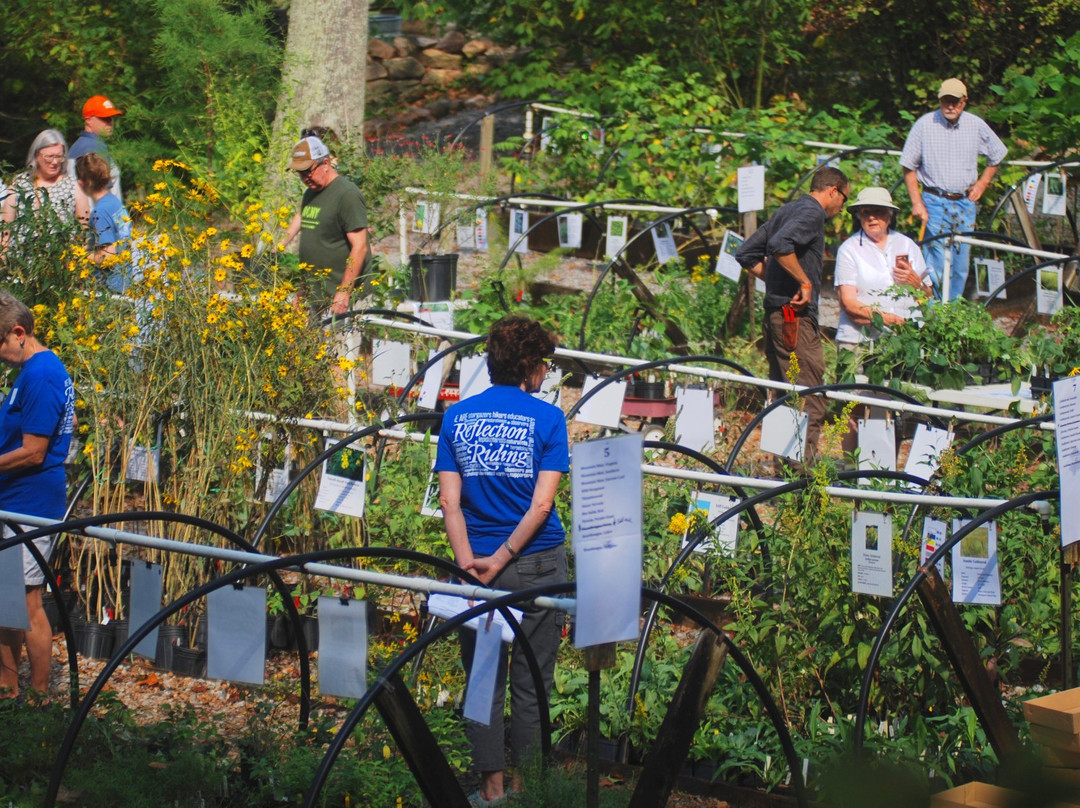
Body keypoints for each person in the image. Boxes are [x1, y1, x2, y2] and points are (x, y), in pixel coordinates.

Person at [435, 316, 569, 806]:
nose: (545, 375)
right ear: (531, 366)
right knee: (532, 686)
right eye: (544, 366)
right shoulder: (549, 419)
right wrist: (505, 556)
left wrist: (471, 564)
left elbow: (450, 504)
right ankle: (528, 789)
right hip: (535, 564)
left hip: (476, 568)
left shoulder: (456, 417)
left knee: (482, 682)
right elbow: (541, 506)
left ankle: (490, 791)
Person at [735, 165, 850, 458]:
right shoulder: (813, 213)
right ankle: (801, 483)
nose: (842, 207)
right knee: (810, 396)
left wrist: (777, 281)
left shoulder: (786, 210)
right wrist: (804, 283)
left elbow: (746, 253)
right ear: (833, 190)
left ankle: (781, 471)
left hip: (776, 313)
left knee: (784, 394)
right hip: (793, 318)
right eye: (845, 199)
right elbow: (779, 245)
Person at [0, 292, 76, 700]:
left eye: (0, 347)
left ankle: (38, 696)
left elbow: (34, 451)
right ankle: (7, 691)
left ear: (19, 333)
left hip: (30, 505)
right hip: (11, 499)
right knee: (3, 600)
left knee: (29, 603)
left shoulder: (42, 373)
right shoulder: (31, 370)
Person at [900, 78, 1007, 302]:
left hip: (964, 203)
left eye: (955, 102)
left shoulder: (975, 125)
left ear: (964, 101)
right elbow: (908, 165)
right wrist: (917, 202)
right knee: (935, 261)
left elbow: (997, 153)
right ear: (939, 101)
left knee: (960, 262)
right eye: (945, 101)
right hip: (934, 201)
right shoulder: (925, 124)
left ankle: (953, 313)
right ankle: (933, 311)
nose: (950, 106)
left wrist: (982, 184)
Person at [834, 187, 931, 350]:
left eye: (878, 211)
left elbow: (928, 297)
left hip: (903, 339)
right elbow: (848, 302)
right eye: (866, 212)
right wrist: (887, 319)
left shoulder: (907, 245)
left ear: (889, 214)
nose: (872, 217)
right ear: (859, 216)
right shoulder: (849, 249)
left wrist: (917, 285)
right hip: (858, 340)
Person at [283, 136, 370, 315]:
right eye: (300, 173)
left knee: (341, 344)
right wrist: (303, 291)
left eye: (308, 171)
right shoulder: (310, 193)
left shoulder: (347, 195)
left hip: (343, 297)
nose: (305, 178)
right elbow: (314, 245)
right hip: (316, 294)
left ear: (326, 163)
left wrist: (344, 292)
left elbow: (360, 247)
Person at [1, 130, 90, 242]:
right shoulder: (19, 185)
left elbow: (83, 232)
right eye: (49, 156)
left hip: (61, 257)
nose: (54, 162)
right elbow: (5, 232)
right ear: (36, 155)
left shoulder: (73, 187)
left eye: (59, 156)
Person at [74, 153, 134, 292]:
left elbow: (108, 257)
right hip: (128, 279)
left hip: (113, 286)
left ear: (81, 183)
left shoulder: (99, 213)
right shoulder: (114, 202)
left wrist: (81, 255)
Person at [67, 95, 124, 203]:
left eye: (111, 118)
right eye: (104, 118)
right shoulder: (91, 148)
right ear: (88, 120)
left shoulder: (82, 144)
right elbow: (97, 194)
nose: (110, 123)